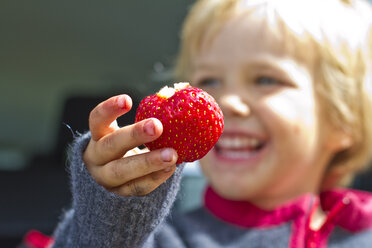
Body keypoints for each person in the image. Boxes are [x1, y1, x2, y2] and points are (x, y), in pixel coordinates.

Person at [36, 0, 372, 247]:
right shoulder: (165, 239)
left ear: (342, 120)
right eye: (209, 81)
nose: (225, 103)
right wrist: (111, 212)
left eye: (266, 80)